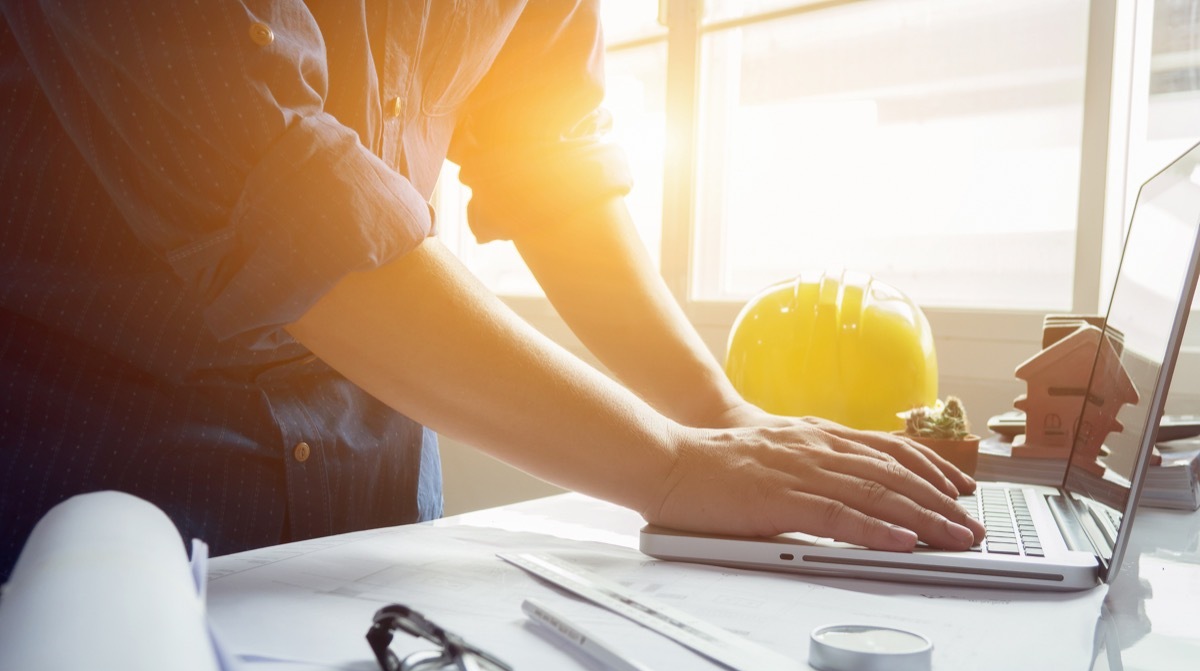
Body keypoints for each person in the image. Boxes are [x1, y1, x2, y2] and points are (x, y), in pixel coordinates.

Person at [0, 2, 984, 581]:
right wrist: (671, 465)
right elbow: (275, 190)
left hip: (375, 485)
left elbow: (546, 150)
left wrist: (713, 414)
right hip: (91, 490)